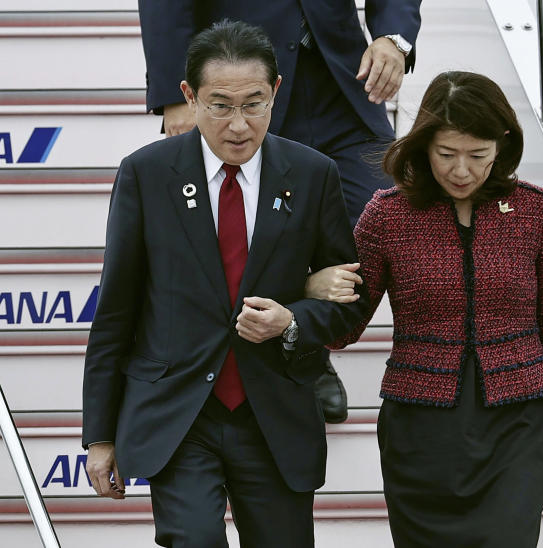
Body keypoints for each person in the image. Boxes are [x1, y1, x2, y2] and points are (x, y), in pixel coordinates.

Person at [82, 20, 367, 548]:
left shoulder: (312, 173)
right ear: (189, 96)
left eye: (254, 104)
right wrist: (100, 435)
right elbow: (116, 309)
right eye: (220, 105)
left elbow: (349, 302)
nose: (239, 125)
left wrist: (292, 320)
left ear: (276, 92)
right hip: (180, 412)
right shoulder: (146, 174)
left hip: (274, 413)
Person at [305, 71, 543, 547]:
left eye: (477, 155)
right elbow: (343, 328)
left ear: (501, 146)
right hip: (420, 426)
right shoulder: (388, 215)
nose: (461, 170)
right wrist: (312, 287)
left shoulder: (535, 210)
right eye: (446, 154)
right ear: (424, 145)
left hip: (519, 421)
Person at [138, 0, 422, 422]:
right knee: (250, 230)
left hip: (343, 77)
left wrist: (394, 37)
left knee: (381, 218)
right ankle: (303, 349)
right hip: (246, 87)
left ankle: (307, 332)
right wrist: (174, 90)